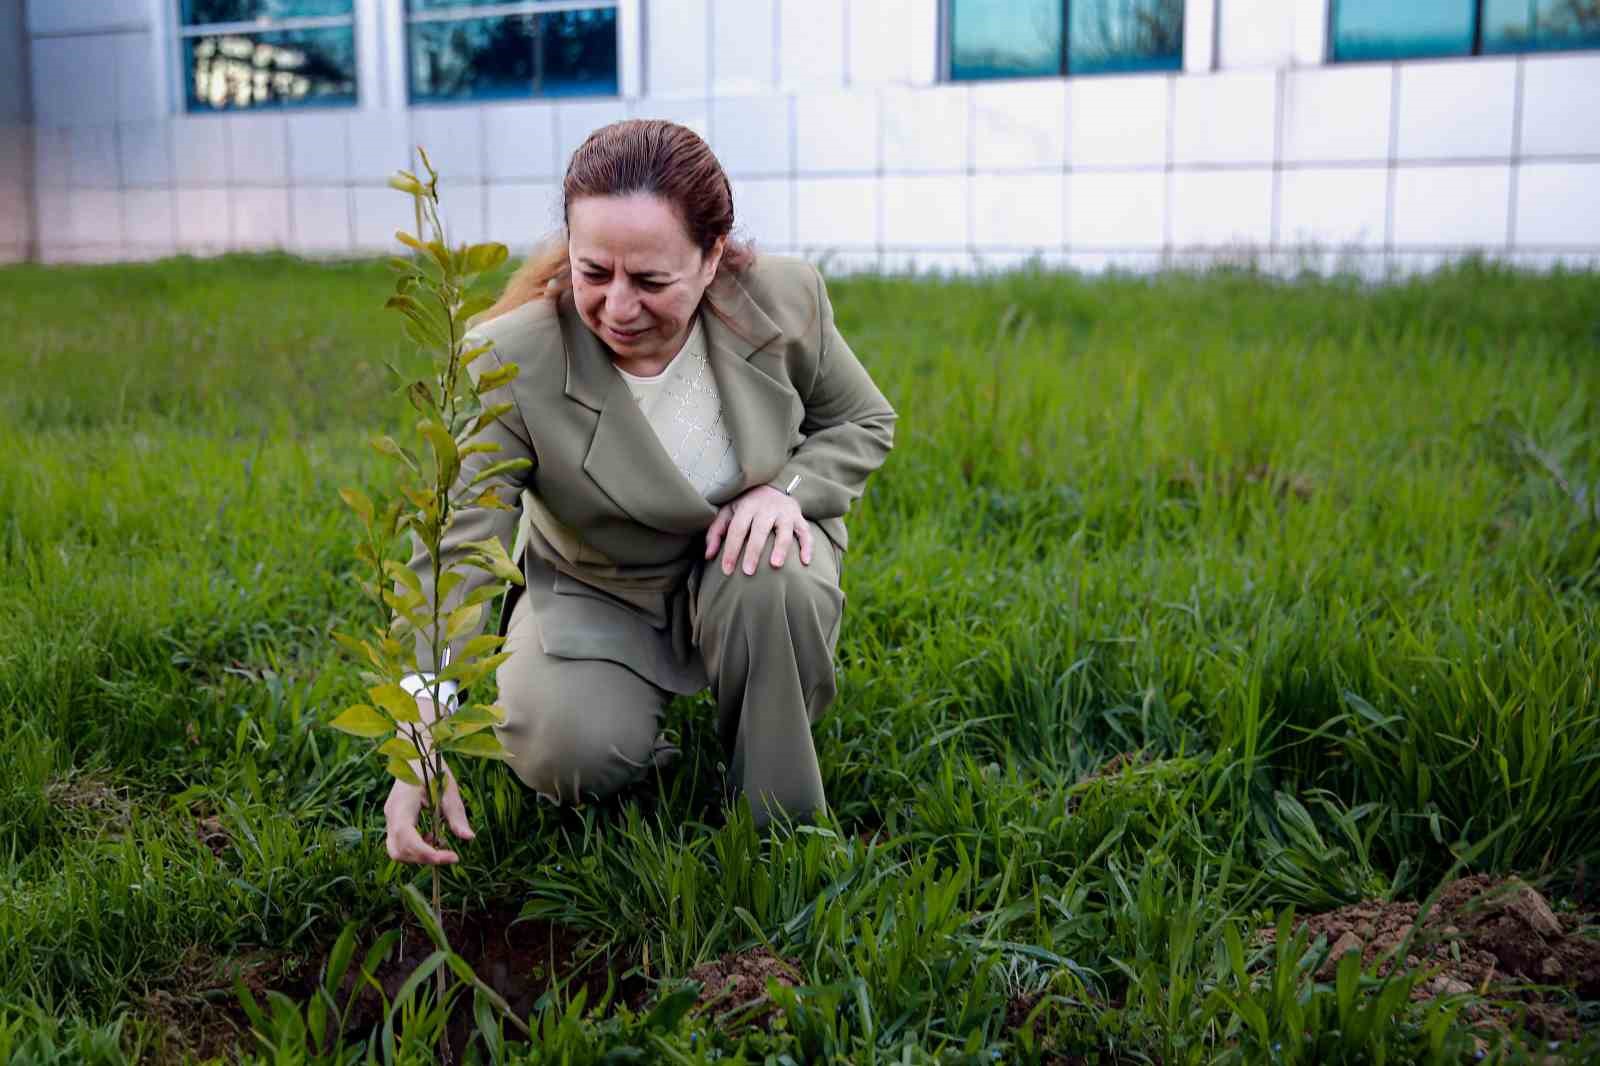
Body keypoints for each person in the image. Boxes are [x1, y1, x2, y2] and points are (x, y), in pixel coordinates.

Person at [384, 119, 897, 865]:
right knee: (564, 751)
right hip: (600, 587)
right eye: (594, 273)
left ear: (712, 255)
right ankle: (639, 747)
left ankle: (782, 834)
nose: (619, 308)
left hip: (750, 562)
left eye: (651, 281)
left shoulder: (785, 299)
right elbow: (461, 545)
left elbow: (861, 418)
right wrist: (418, 731)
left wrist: (787, 489)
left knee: (773, 580)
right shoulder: (510, 359)